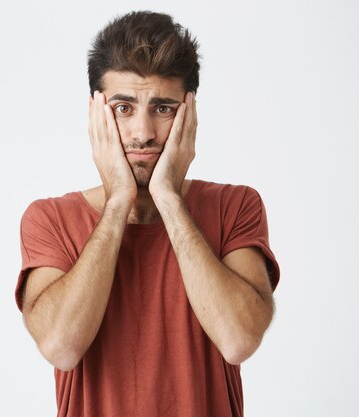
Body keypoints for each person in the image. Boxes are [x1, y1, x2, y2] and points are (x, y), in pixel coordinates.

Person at [15, 11, 280, 417]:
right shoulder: (49, 219)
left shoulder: (236, 207)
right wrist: (119, 198)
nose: (142, 132)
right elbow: (61, 347)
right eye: (123, 108)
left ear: (189, 113)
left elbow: (238, 339)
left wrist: (169, 199)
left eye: (162, 108)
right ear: (96, 114)